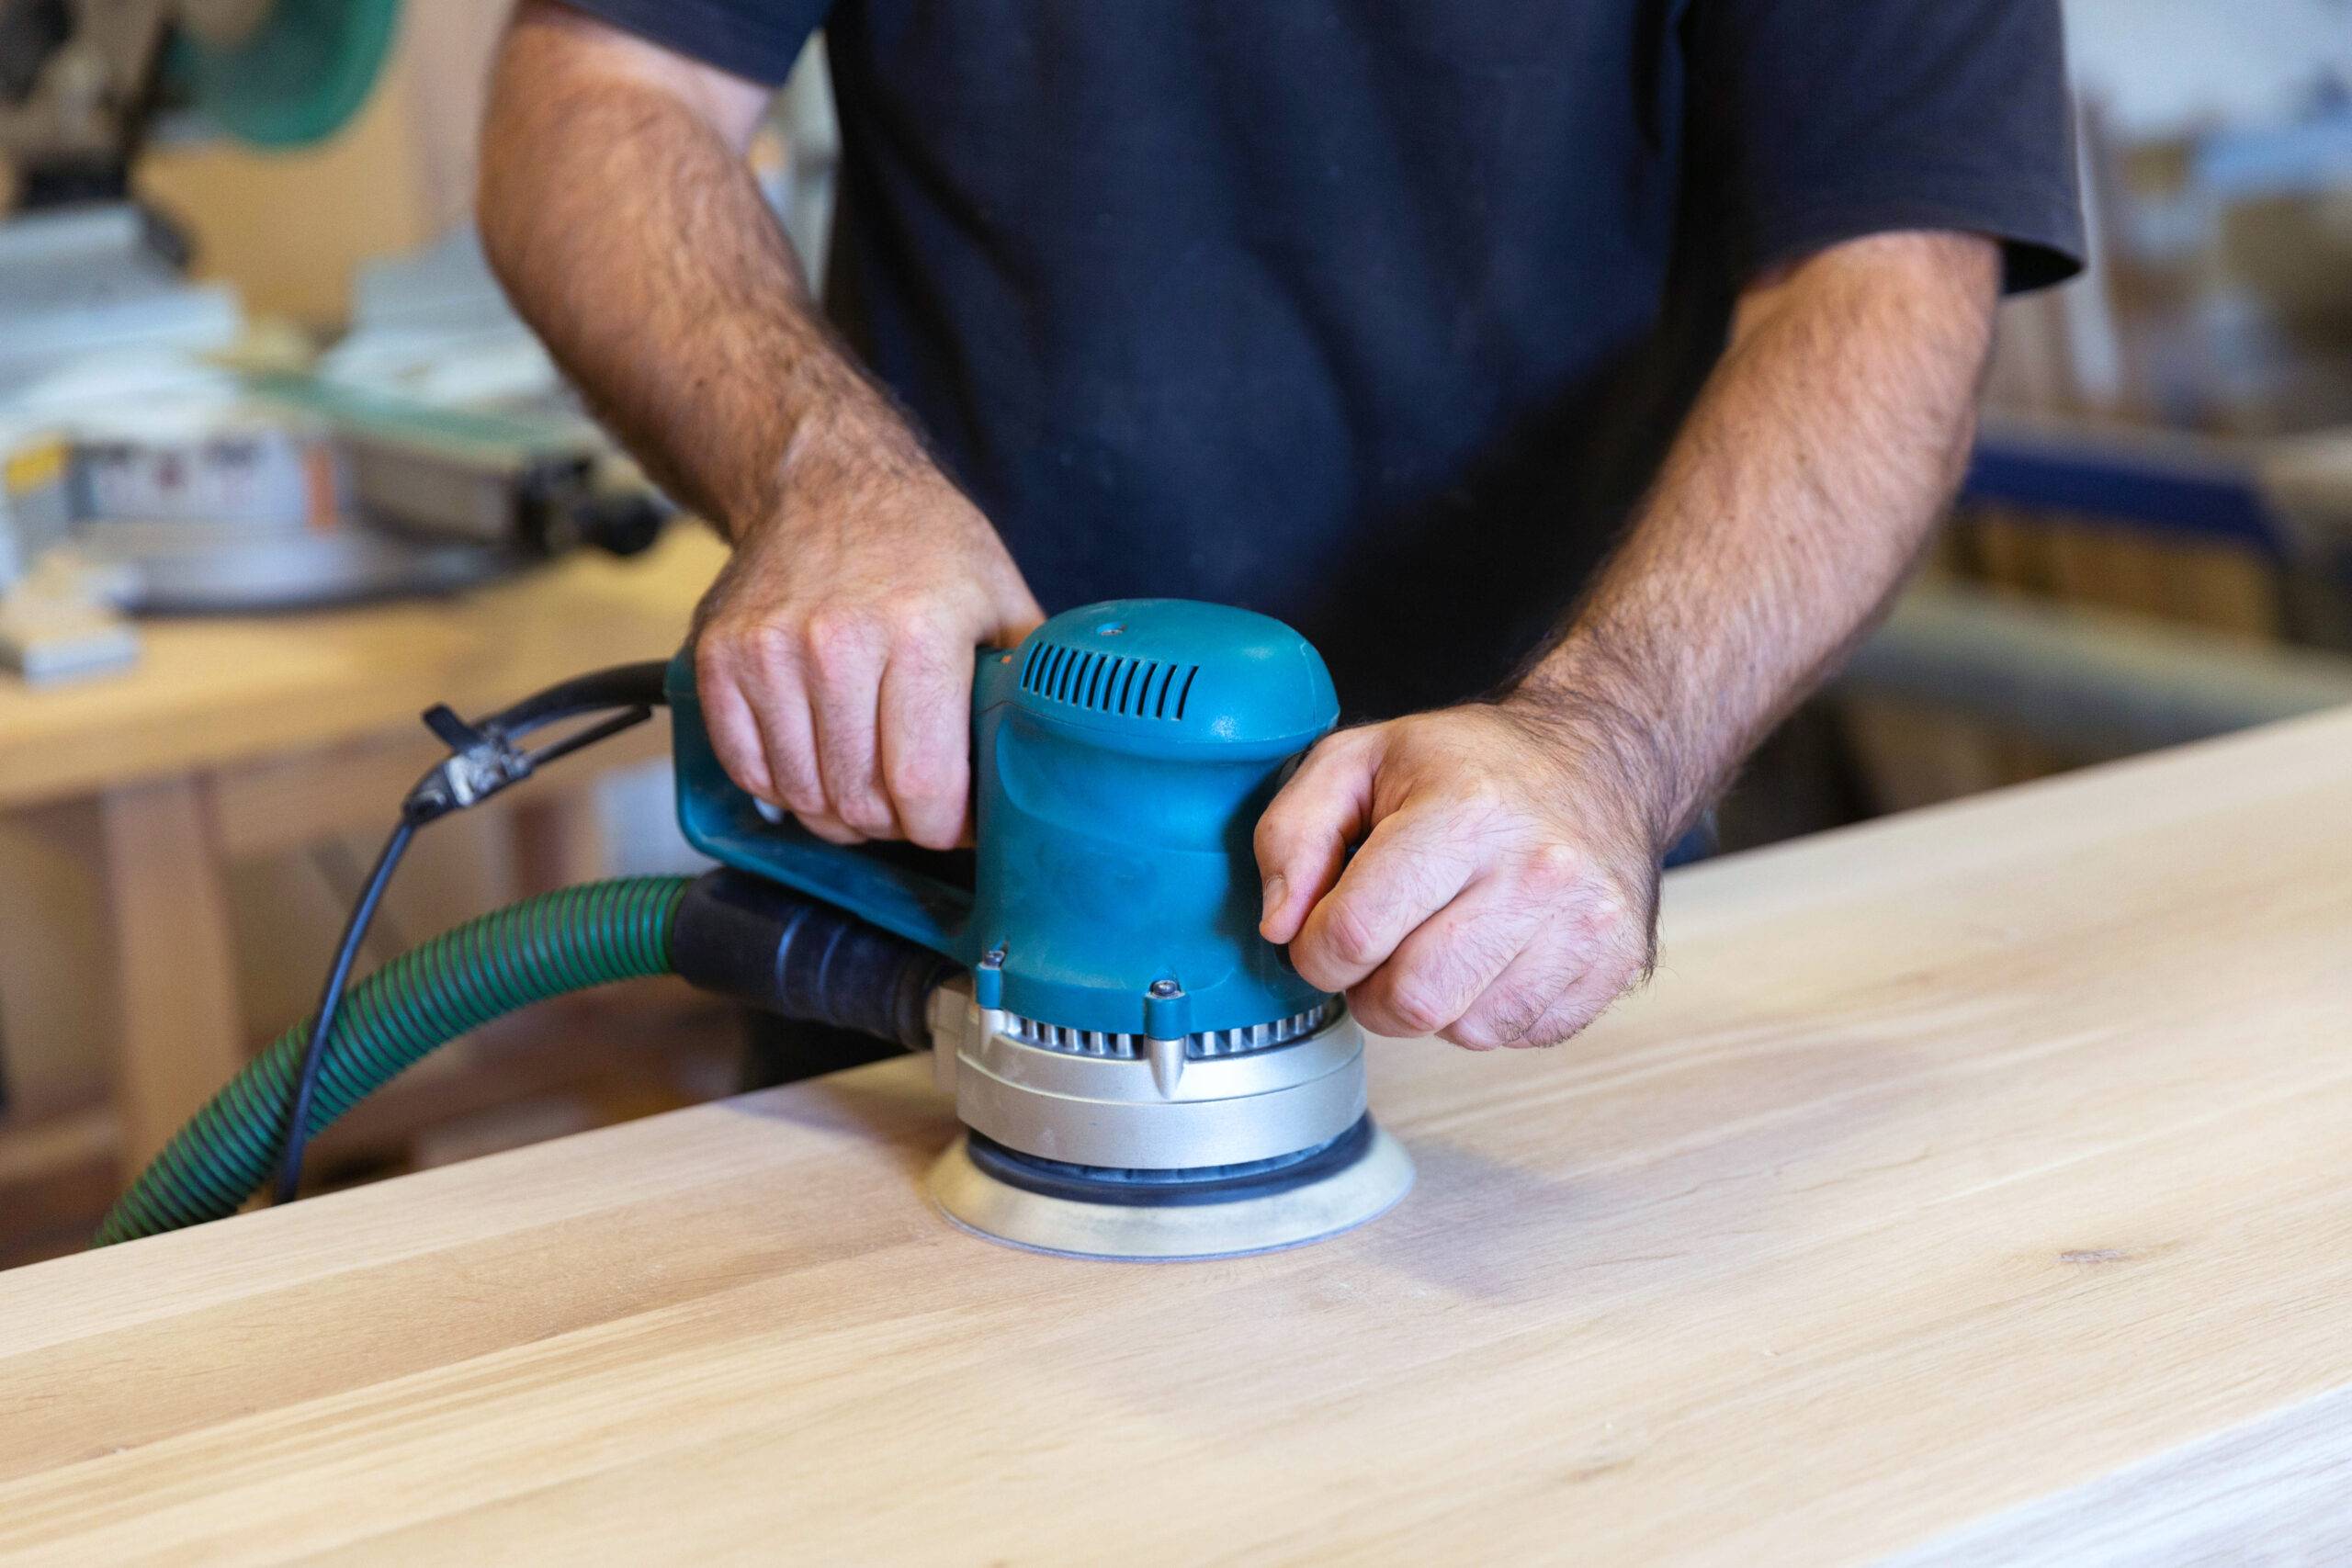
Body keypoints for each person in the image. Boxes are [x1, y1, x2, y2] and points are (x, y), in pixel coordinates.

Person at [478, 1, 2081, 1052]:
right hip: (941, 900)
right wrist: (817, 471)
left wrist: (1609, 739)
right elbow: (606, 83)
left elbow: (1885, 270)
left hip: (1522, 901)